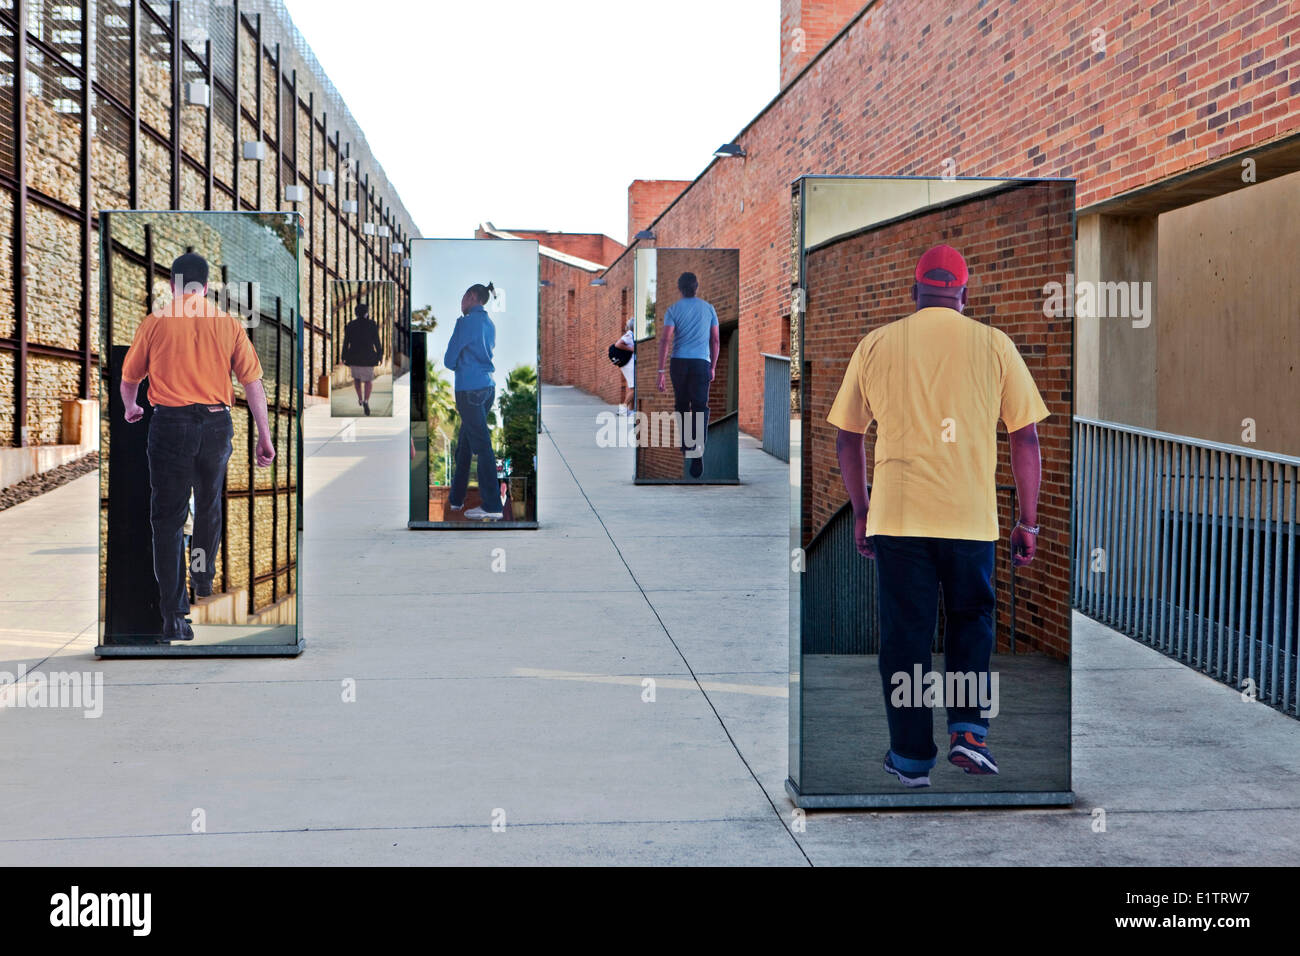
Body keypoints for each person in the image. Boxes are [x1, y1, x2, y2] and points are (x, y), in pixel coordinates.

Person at [827, 244, 1048, 788]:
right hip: (971, 519)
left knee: (907, 635)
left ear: (914, 294)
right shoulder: (995, 345)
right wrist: (1028, 520)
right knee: (971, 621)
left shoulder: (877, 343)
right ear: (964, 295)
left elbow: (847, 439)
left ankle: (910, 759)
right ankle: (969, 731)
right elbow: (1026, 438)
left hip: (898, 518)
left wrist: (861, 511)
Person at [121, 252, 275, 642]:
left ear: (173, 285)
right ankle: (202, 576)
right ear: (206, 287)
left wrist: (131, 407)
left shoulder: (155, 323)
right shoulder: (227, 324)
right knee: (208, 503)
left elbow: (129, 378)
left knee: (168, 519)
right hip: (215, 424)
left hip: (170, 426)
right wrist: (265, 435)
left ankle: (174, 614)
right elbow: (252, 383)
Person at [444, 282, 504, 521]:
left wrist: (460, 362)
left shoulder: (465, 323)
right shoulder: (490, 324)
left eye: (463, 297)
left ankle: (492, 505)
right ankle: (457, 500)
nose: (461, 303)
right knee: (466, 445)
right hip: (487, 388)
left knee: (481, 446)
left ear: (471, 297)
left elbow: (449, 360)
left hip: (468, 389)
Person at [655, 272, 720, 477]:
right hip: (702, 362)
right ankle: (697, 448)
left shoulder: (673, 310)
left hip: (679, 363)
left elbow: (665, 340)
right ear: (696, 287)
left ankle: (686, 445)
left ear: (679, 288)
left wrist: (660, 371)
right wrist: (713, 367)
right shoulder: (709, 309)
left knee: (682, 404)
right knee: (700, 405)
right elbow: (716, 340)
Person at [340, 301, 382, 415]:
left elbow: (346, 342)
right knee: (368, 380)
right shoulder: (372, 324)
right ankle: (366, 400)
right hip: (368, 356)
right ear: (366, 313)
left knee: (357, 379)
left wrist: (344, 356)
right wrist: (379, 355)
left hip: (354, 356)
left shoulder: (350, 325)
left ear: (356, 313)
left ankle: (360, 399)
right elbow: (377, 341)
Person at [611, 316, 636, 415]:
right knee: (634, 388)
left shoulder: (632, 334)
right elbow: (618, 344)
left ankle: (630, 410)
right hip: (628, 365)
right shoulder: (630, 334)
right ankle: (622, 410)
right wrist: (632, 349)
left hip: (629, 364)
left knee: (632, 386)